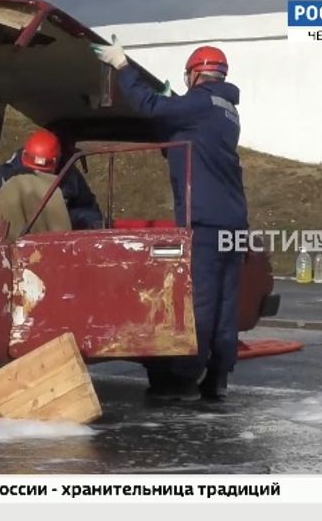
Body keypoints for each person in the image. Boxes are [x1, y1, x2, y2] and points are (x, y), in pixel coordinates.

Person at [92, 40, 248, 401]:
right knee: (225, 305)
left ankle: (184, 379)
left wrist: (122, 67)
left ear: (195, 74)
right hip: (233, 221)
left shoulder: (201, 101)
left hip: (206, 222)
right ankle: (218, 377)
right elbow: (181, 131)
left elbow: (150, 107)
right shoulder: (225, 109)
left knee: (202, 305)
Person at [0, 129, 104, 230]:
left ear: (56, 163)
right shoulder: (12, 169)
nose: (39, 174)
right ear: (24, 156)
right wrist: (14, 176)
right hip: (16, 233)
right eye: (34, 170)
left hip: (53, 232)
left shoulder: (69, 175)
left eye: (44, 172)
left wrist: (92, 222)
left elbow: (87, 208)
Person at [0, 136, 73, 241]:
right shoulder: (64, 183)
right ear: (55, 162)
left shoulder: (9, 179)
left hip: (10, 247)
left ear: (24, 155)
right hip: (52, 248)